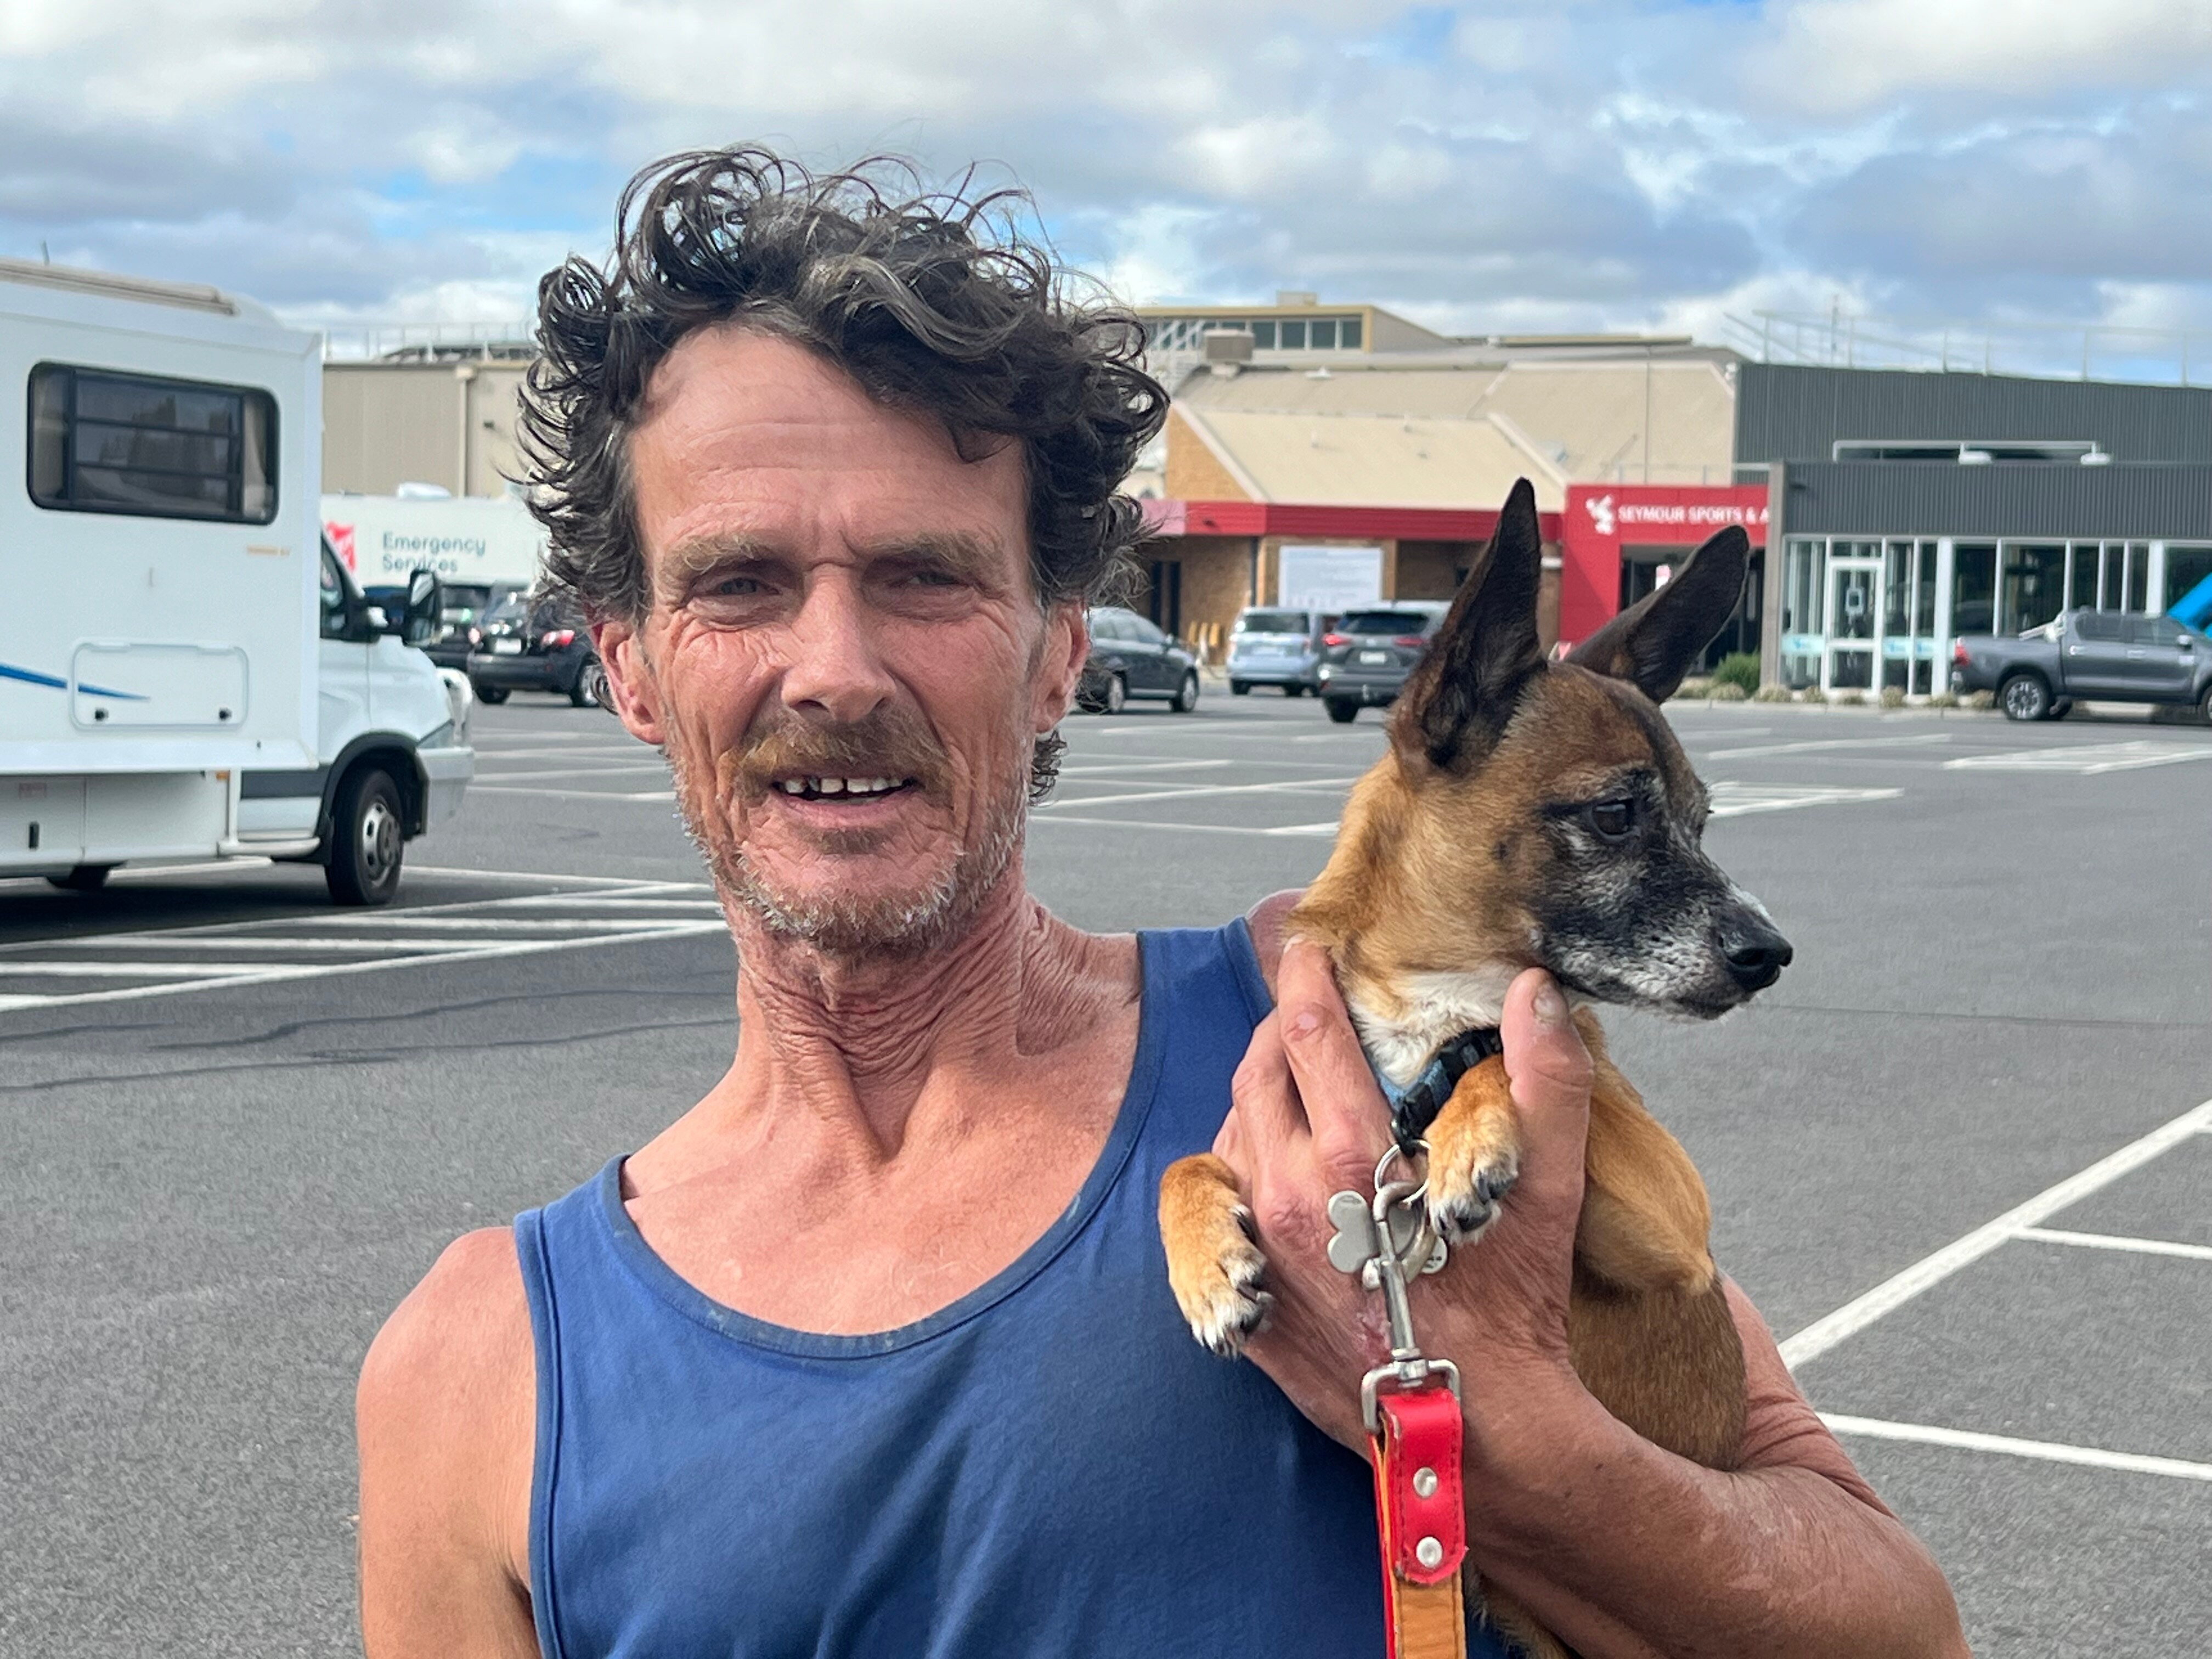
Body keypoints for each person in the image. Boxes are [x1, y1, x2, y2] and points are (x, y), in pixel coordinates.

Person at [356, 149, 1967, 1658]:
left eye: (926, 577)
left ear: (1062, 649)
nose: (835, 671)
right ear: (627, 659)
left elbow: (1897, 1628)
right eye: (737, 583)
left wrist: (1489, 1430)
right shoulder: (479, 1369)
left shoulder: (1332, 1057)